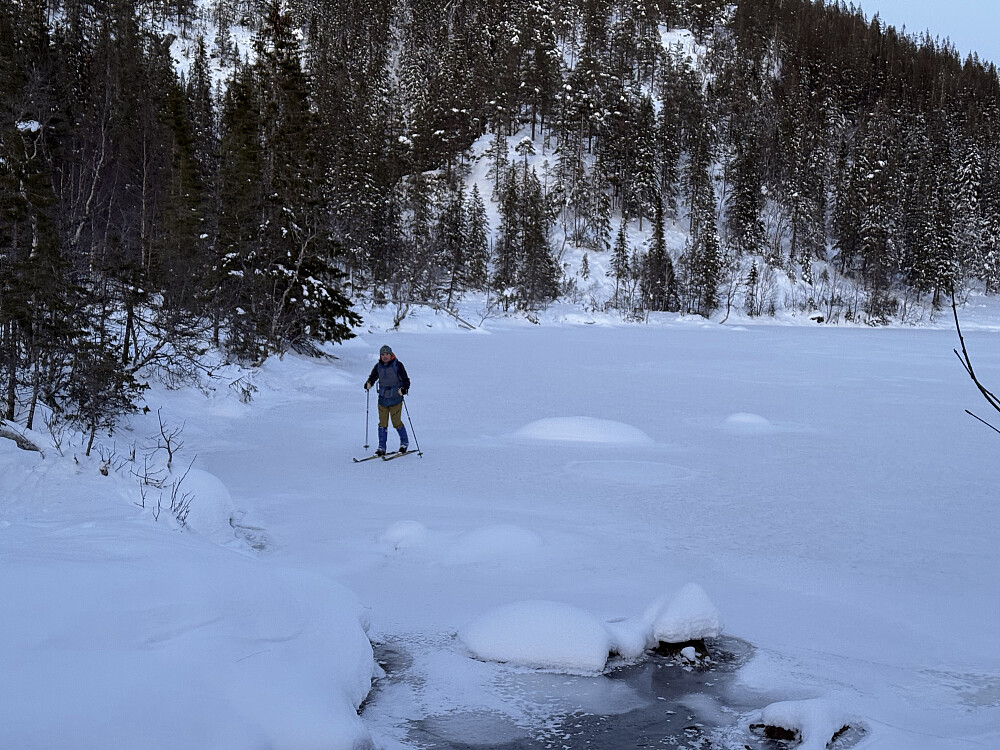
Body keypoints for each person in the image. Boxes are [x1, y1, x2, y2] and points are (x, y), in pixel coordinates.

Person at [364, 345, 411, 455]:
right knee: (382, 423)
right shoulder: (378, 366)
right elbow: (373, 377)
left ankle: (404, 443)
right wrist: (369, 383)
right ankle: (381, 447)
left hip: (395, 399)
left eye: (387, 354)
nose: (385, 356)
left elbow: (406, 380)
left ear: (391, 354)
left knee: (396, 422)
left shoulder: (398, 365)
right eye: (382, 354)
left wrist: (404, 389)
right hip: (383, 399)